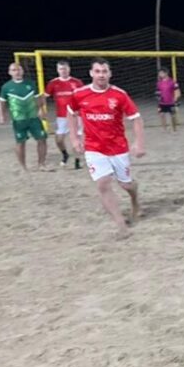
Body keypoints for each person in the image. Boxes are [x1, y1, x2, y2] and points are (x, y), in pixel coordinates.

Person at [66, 58, 146, 237]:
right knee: (103, 184)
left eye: (104, 71)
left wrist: (139, 143)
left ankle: (135, 199)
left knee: (126, 185)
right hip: (94, 148)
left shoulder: (119, 95)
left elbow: (136, 118)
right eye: (97, 71)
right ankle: (121, 226)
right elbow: (70, 113)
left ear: (110, 74)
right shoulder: (79, 94)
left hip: (118, 148)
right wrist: (74, 138)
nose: (101, 75)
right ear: (91, 73)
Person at [0, 62, 50, 172]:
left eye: (19, 69)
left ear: (22, 71)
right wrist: (2, 115)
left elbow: (37, 98)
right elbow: (1, 103)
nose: (17, 72)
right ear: (10, 72)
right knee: (20, 142)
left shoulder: (30, 84)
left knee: (42, 139)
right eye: (14, 70)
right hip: (19, 120)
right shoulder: (6, 87)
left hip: (33, 118)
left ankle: (41, 164)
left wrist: (41, 110)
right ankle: (23, 167)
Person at [45, 60, 85, 169]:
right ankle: (65, 155)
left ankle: (77, 161)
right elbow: (44, 96)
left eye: (65, 68)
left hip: (76, 116)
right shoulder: (53, 83)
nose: (63, 71)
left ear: (69, 69)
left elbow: (84, 97)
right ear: (57, 70)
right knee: (59, 139)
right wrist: (41, 109)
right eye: (61, 69)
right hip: (62, 116)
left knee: (77, 138)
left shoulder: (77, 82)